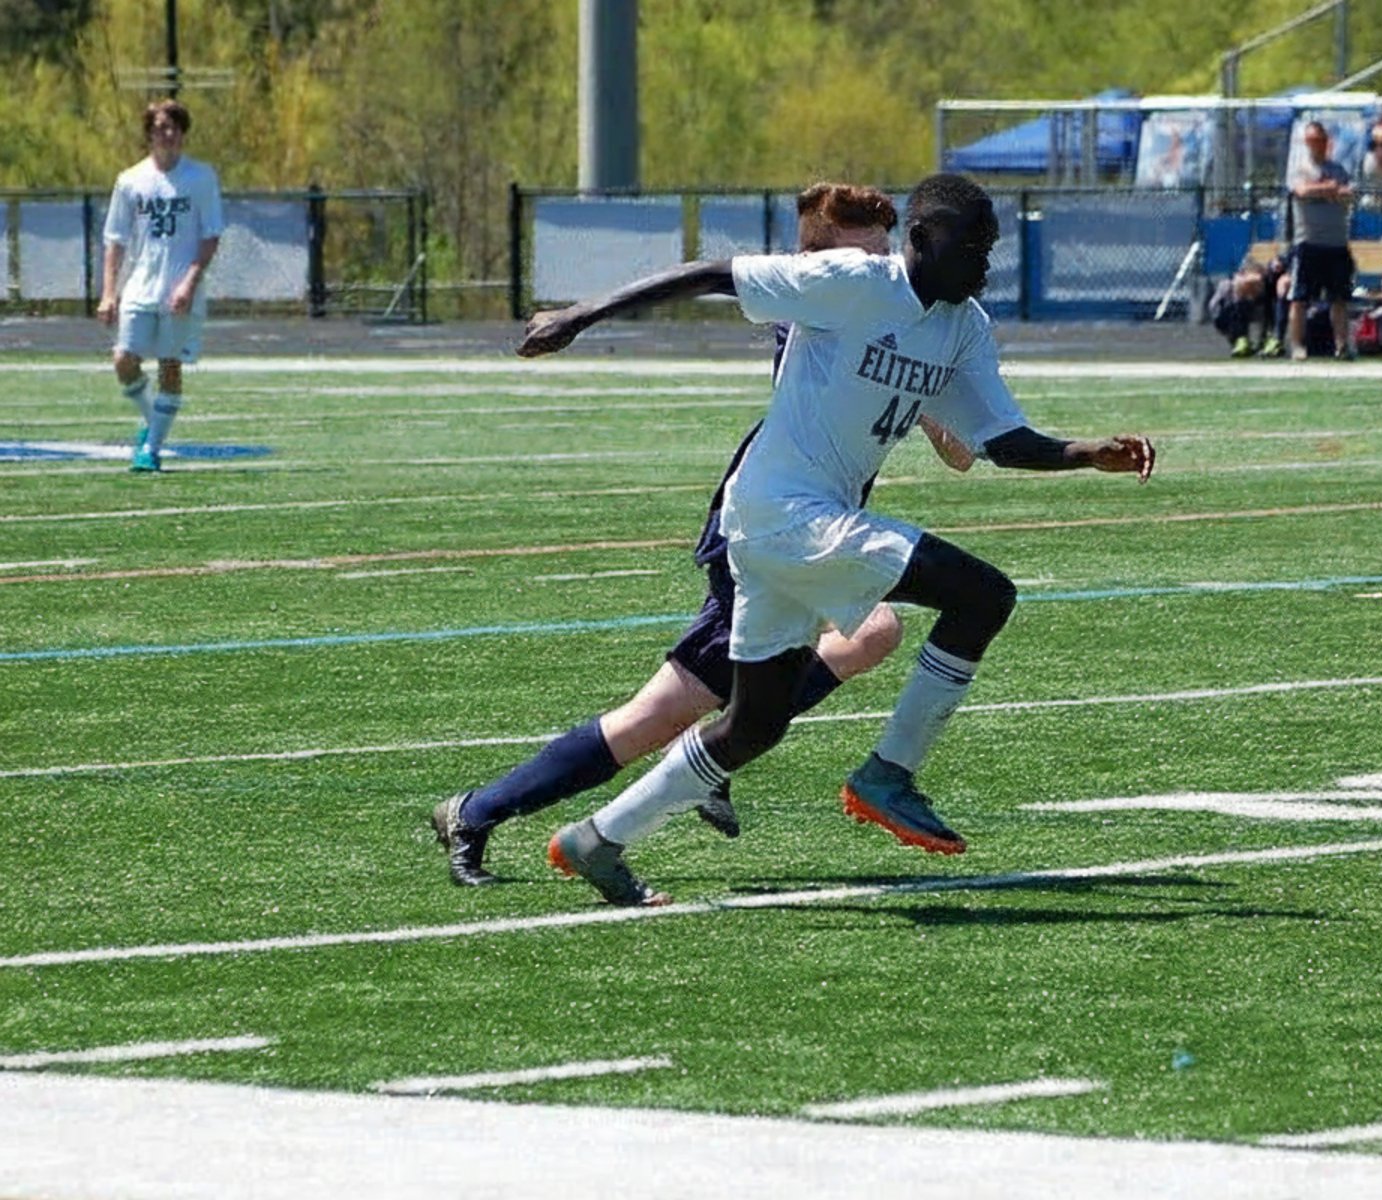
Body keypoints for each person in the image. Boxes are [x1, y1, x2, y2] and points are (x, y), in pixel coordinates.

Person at [517, 173, 1156, 907]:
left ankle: (597, 838)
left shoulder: (964, 326)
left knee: (752, 726)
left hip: (785, 527)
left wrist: (1086, 452)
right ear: (919, 240)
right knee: (982, 595)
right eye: (971, 245)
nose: (985, 262)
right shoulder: (855, 282)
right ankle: (890, 774)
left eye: (991, 248)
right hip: (784, 513)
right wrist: (581, 314)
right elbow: (713, 273)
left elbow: (1001, 439)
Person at [429, 184, 975, 888]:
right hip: (767, 525)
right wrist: (580, 316)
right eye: (865, 254)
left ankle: (514, 803)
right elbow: (741, 288)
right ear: (815, 258)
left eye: (887, 250)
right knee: (682, 707)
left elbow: (957, 449)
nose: (885, 267)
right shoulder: (820, 308)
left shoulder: (885, 308)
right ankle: (495, 809)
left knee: (843, 645)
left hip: (810, 529)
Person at [97, 98, 223, 474]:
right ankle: (153, 422)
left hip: (180, 289)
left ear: (183, 133)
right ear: (148, 133)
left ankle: (150, 449)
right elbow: (115, 240)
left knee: (170, 365)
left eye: (173, 127)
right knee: (123, 359)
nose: (166, 134)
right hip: (140, 286)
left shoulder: (201, 178)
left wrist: (189, 283)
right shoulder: (130, 180)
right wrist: (109, 292)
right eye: (159, 128)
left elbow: (211, 235)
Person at [1286, 121, 1357, 362]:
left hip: (1336, 242)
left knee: (1339, 298)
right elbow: (1302, 191)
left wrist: (1327, 191)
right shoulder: (1300, 169)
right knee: (1300, 298)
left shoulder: (1338, 169)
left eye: (1321, 140)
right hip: (1309, 242)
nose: (1317, 145)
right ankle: (1297, 345)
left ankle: (1342, 345)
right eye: (1313, 140)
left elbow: (1348, 194)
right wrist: (1328, 189)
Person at [1207, 258, 1287, 358]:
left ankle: (1269, 339)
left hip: (1263, 306)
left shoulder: (1269, 283)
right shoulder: (1227, 287)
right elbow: (1215, 312)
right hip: (1235, 311)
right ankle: (1240, 340)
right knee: (1235, 301)